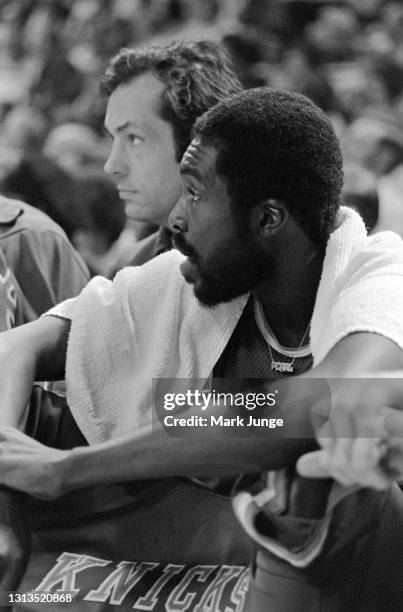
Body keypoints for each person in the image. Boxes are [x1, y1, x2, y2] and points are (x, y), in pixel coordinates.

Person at [1, 89, 403, 609]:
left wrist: (68, 470)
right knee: (172, 410)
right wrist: (6, 501)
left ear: (268, 219)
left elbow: (322, 405)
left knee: (335, 466)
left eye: (193, 193)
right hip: (206, 548)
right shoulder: (191, 280)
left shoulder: (382, 276)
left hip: (362, 572)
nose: (174, 219)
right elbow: (16, 346)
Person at [101, 39, 242, 267]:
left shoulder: (277, 266)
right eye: (112, 138)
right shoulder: (131, 268)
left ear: (200, 145)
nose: (112, 166)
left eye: (134, 139)